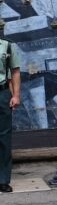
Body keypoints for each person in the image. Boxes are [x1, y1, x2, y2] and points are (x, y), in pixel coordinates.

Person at [0, 32, 20, 193]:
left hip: (2, 93)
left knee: (4, 138)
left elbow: (15, 71)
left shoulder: (7, 45)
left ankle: (3, 180)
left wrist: (16, 95)